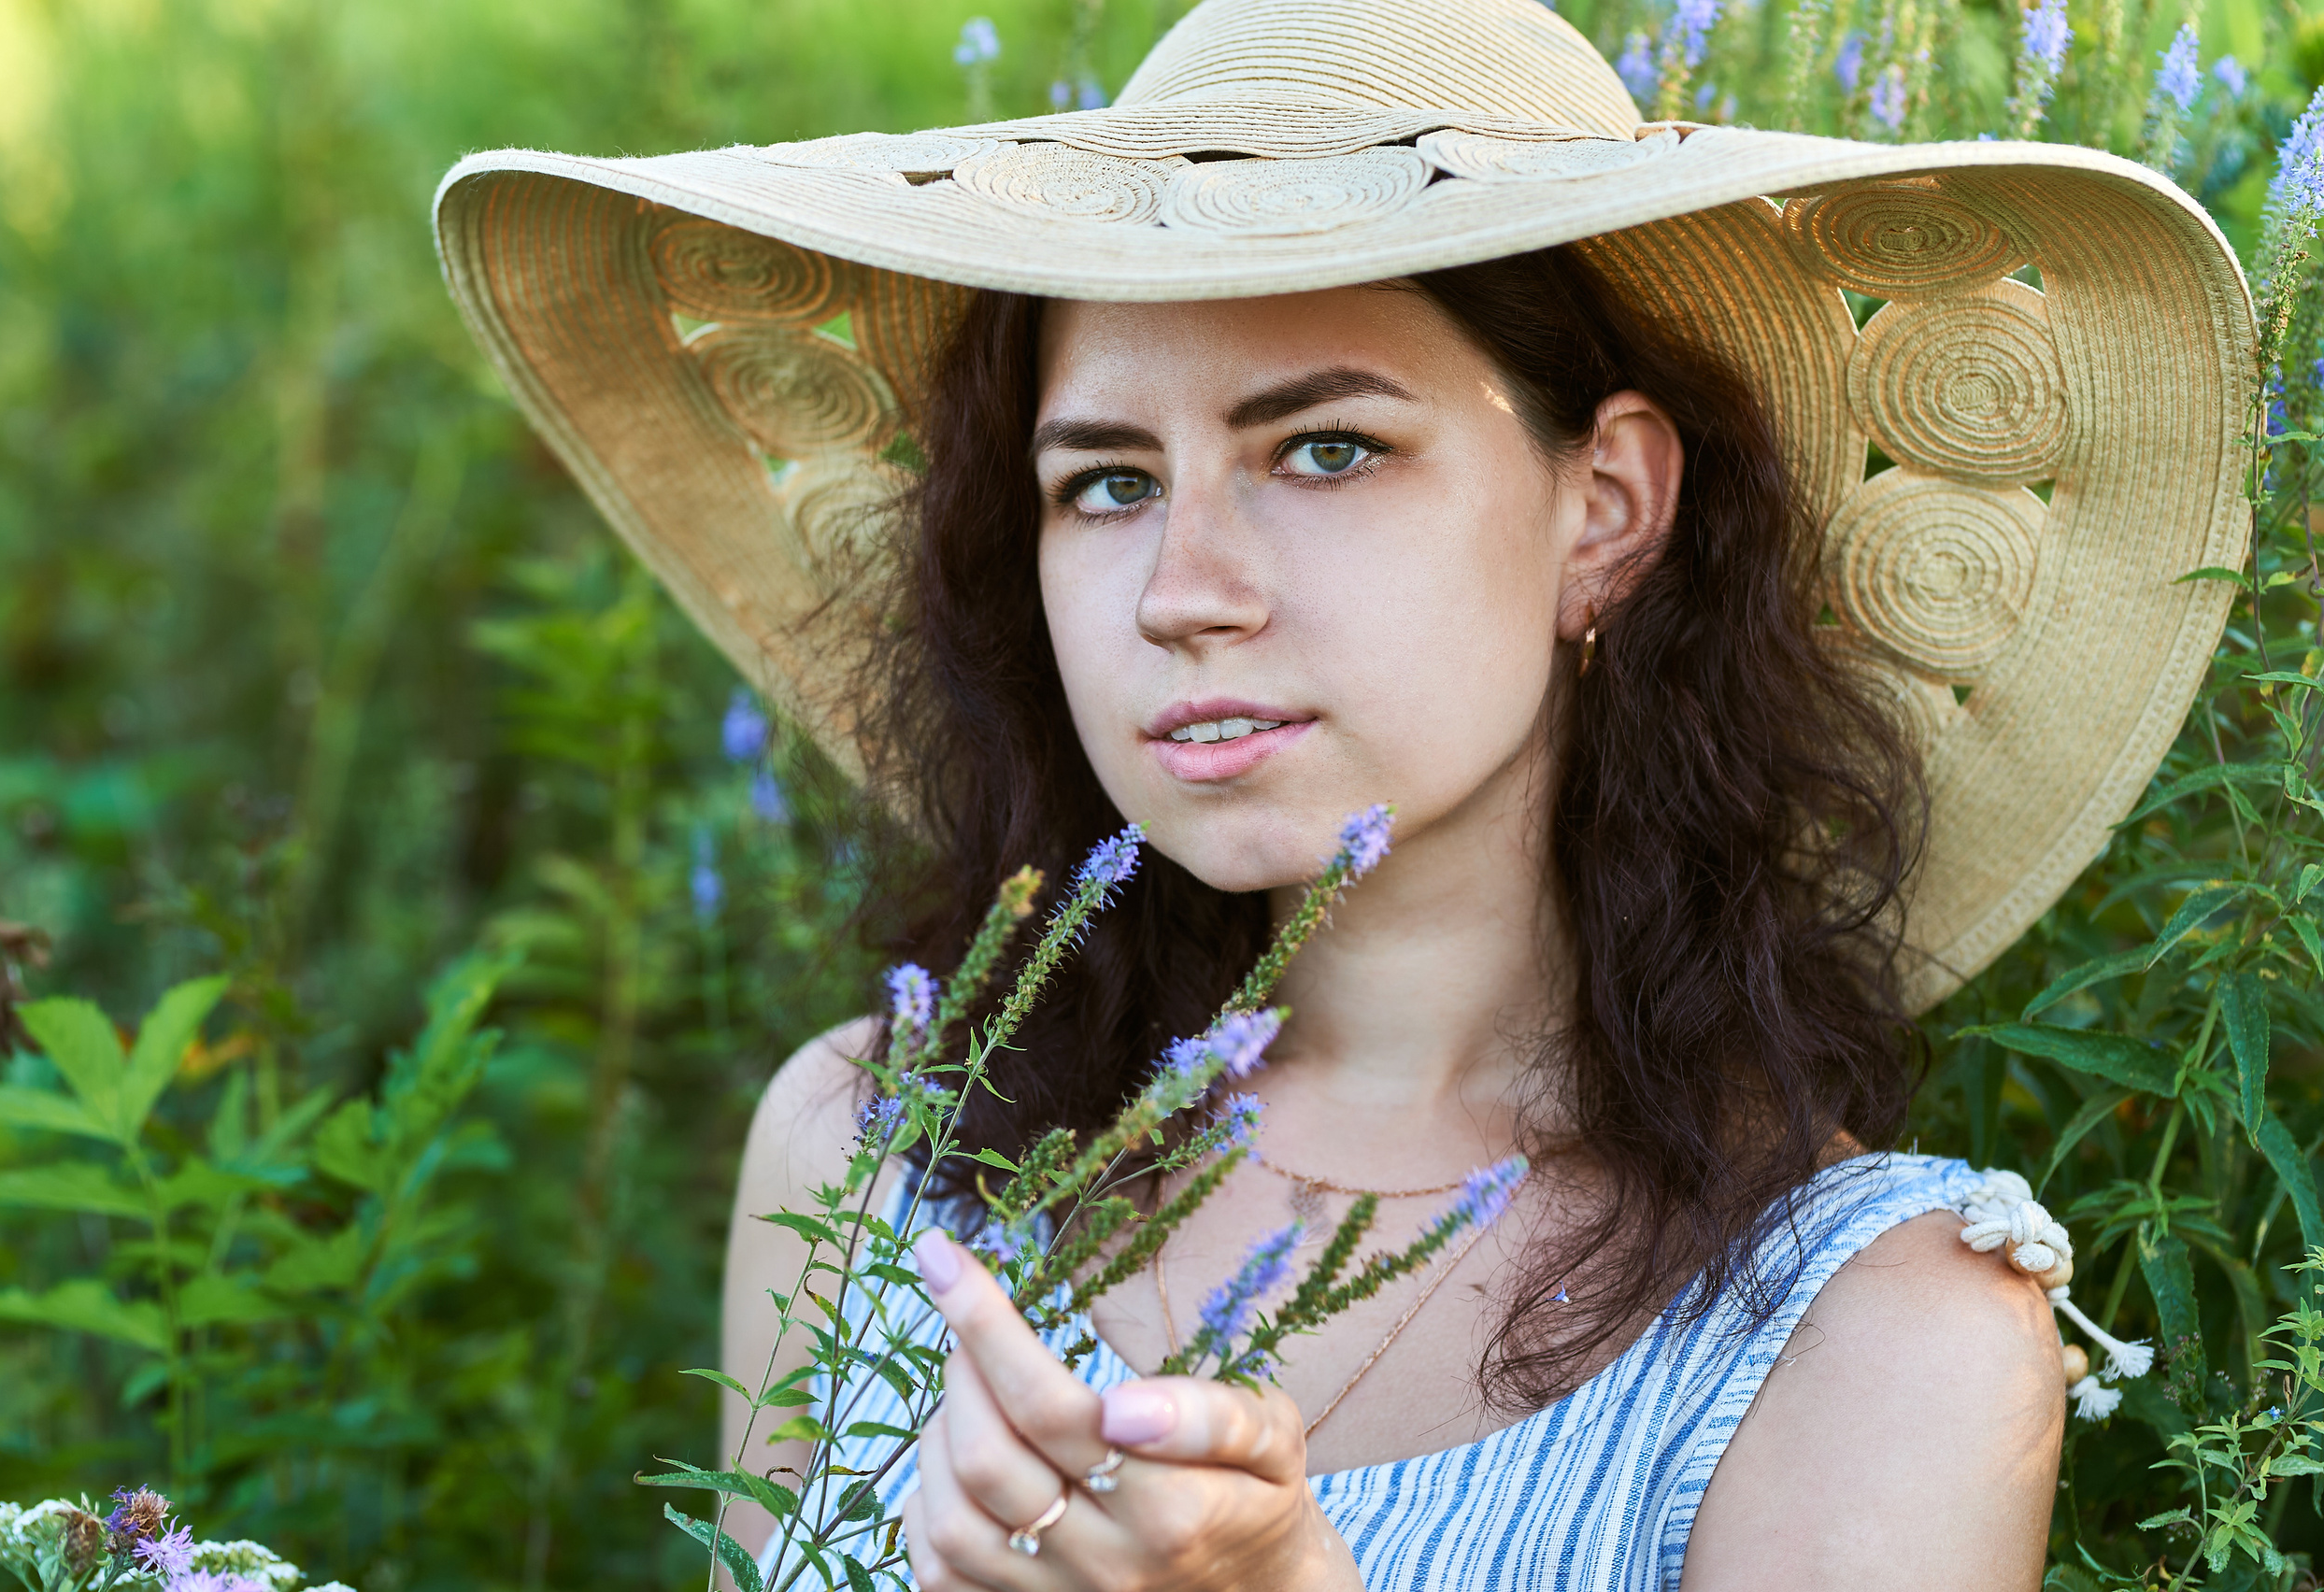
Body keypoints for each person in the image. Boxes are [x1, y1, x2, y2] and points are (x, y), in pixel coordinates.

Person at [433, 0, 2255, 1585]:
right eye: (1104, 482)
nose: (1182, 590)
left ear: (1603, 509)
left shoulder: (1877, 1330)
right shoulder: (873, 1157)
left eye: (1322, 448)